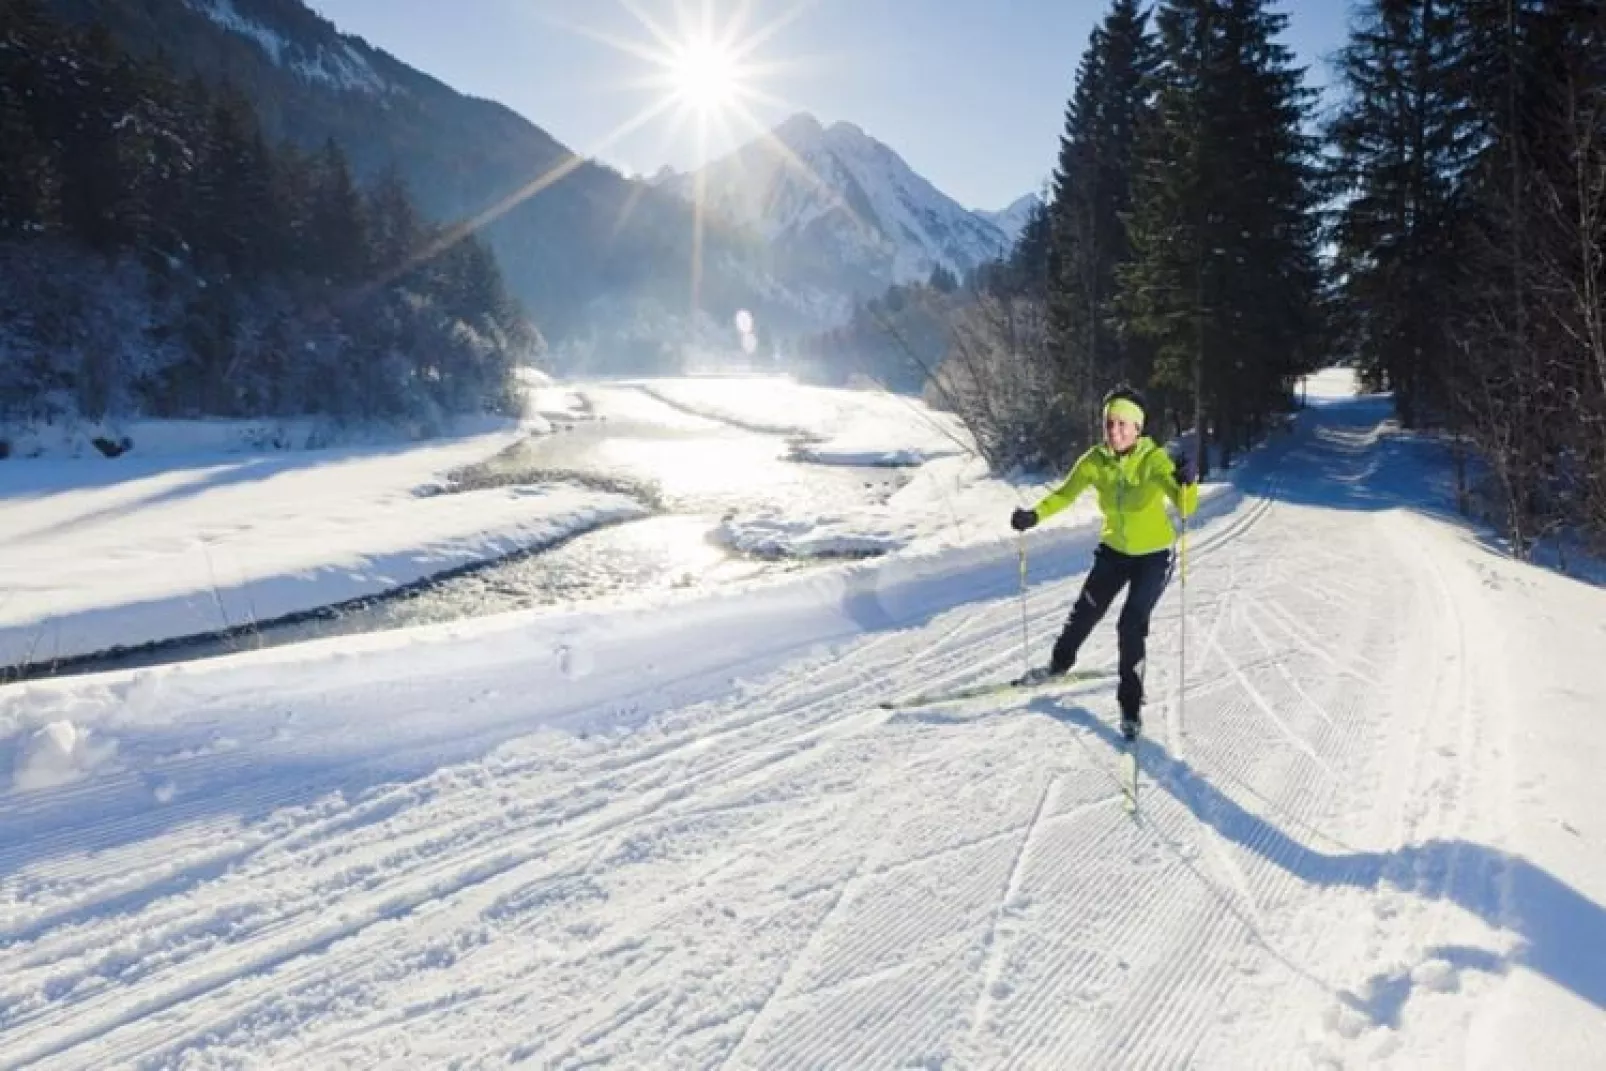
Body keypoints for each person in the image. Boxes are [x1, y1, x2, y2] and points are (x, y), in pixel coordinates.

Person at [1009, 387, 1198, 739]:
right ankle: (1058, 665)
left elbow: (1186, 508)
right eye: (1109, 423)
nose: (1114, 431)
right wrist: (1034, 516)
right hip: (1114, 551)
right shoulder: (1095, 460)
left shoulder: (1154, 460)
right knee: (1085, 611)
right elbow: (1065, 494)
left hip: (1154, 555)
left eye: (1123, 424)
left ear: (1138, 428)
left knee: (1130, 624)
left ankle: (1130, 705)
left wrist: (1188, 480)